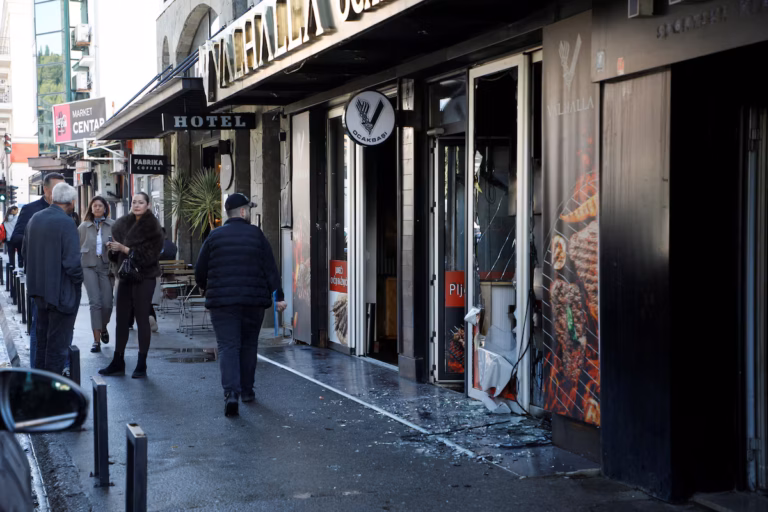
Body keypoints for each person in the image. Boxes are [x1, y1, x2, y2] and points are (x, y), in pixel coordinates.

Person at [195, 193, 287, 417]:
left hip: (222, 303)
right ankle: (247, 391)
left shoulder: (214, 236)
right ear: (244, 212)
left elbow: (200, 269)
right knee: (248, 345)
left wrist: (204, 286)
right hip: (252, 301)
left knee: (228, 346)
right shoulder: (257, 235)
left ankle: (231, 394)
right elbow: (270, 270)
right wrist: (279, 297)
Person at [99, 192, 163, 378]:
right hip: (125, 276)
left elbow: (150, 257)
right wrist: (112, 249)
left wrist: (125, 248)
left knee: (142, 318)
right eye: (134, 202)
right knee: (121, 319)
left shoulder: (154, 227)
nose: (136, 205)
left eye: (140, 202)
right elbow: (115, 256)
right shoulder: (121, 224)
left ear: (148, 205)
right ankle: (118, 360)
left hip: (145, 277)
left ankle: (141, 363)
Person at [21, 183, 83, 375]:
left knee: (42, 343)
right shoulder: (67, 222)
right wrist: (79, 280)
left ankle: (41, 387)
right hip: (61, 294)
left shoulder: (35, 219)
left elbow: (24, 251)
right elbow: (72, 262)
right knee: (57, 346)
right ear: (71, 202)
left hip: (39, 292)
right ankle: (53, 394)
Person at [10, 173, 65, 368]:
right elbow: (15, 238)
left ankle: (61, 365)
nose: (62, 193)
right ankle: (37, 368)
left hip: (62, 277)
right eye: (58, 189)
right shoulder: (31, 210)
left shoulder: (66, 209)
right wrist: (37, 239)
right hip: (39, 277)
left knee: (62, 325)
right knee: (39, 324)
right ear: (46, 190)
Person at [78, 196, 115, 353]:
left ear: (105, 208)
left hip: (106, 266)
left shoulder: (113, 225)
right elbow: (76, 247)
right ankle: (96, 340)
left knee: (107, 303)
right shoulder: (83, 227)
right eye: (95, 206)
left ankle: (103, 327)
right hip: (88, 266)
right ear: (91, 208)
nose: (98, 208)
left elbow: (121, 244)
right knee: (95, 303)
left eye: (100, 205)